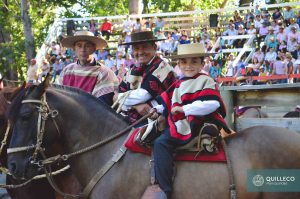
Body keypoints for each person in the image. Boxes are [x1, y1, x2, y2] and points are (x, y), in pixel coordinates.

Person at [141, 43, 230, 199]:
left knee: (161, 143)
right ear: (179, 64)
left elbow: (212, 103)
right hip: (180, 120)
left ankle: (164, 190)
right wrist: (157, 110)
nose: (188, 66)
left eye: (194, 61)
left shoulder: (205, 80)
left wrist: (185, 110)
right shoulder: (179, 83)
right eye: (184, 62)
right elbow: (170, 103)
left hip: (196, 122)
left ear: (202, 64)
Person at [118, 31, 176, 124]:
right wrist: (136, 106)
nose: (140, 52)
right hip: (132, 118)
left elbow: (142, 95)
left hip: (160, 119)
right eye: (136, 48)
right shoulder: (133, 69)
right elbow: (119, 94)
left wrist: (121, 99)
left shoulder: (162, 67)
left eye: (145, 47)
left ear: (154, 47)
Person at [59, 30, 119, 106]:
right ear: (74, 48)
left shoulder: (104, 73)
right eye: (79, 45)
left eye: (87, 46)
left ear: (94, 48)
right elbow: (58, 97)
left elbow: (102, 108)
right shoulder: (67, 71)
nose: (83, 50)